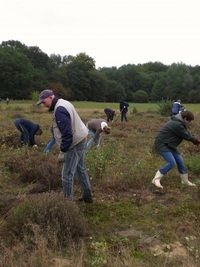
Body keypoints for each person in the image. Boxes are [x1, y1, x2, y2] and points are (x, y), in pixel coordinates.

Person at [37, 89, 92, 203]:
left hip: (75, 143)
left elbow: (67, 135)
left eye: (44, 101)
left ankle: (68, 204)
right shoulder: (63, 102)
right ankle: (87, 197)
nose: (43, 104)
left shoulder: (59, 110)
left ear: (51, 97)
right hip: (81, 138)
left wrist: (63, 151)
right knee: (80, 169)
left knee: (66, 175)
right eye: (41, 102)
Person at [152, 110, 200, 189]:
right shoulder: (176, 124)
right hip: (162, 144)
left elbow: (187, 133)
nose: (190, 122)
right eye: (189, 121)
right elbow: (186, 135)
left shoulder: (179, 122)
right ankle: (156, 179)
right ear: (184, 118)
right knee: (172, 162)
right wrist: (197, 141)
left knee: (180, 160)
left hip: (170, 145)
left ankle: (184, 181)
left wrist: (196, 140)